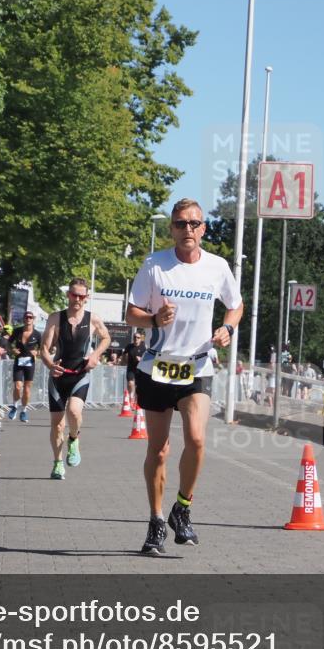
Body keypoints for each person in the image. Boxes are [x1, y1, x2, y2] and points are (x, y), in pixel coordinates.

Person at [125, 198, 243, 555]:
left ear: (203, 229)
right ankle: (156, 520)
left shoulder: (217, 267)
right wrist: (152, 320)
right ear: (172, 229)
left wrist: (227, 329)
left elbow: (235, 305)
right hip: (158, 366)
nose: (187, 230)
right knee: (159, 450)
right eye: (180, 224)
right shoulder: (155, 265)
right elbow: (132, 313)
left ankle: (183, 507)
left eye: (193, 224)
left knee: (196, 439)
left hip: (198, 364)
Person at [40, 278, 111, 480]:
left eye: (81, 296)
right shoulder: (55, 318)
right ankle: (57, 463)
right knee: (57, 424)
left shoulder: (93, 319)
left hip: (80, 373)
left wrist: (95, 355)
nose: (77, 299)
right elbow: (44, 349)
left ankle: (74, 439)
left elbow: (106, 338)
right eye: (74, 295)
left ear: (87, 298)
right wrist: (49, 365)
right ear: (68, 295)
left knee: (74, 411)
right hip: (58, 375)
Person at [7, 312, 42, 423]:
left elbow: (43, 349)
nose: (28, 319)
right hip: (18, 362)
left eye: (30, 317)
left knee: (27, 390)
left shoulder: (37, 334)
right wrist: (12, 350)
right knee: (18, 387)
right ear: (23, 319)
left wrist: (37, 352)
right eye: (26, 317)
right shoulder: (17, 331)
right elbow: (8, 343)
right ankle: (15, 406)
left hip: (30, 364)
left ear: (33, 319)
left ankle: (24, 411)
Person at [122, 330, 146, 406]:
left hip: (140, 369)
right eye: (135, 337)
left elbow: (148, 358)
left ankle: (136, 401)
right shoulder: (129, 346)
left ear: (141, 339)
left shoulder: (144, 347)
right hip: (131, 368)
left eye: (138, 337)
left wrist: (141, 359)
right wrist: (124, 361)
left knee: (138, 386)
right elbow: (124, 355)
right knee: (130, 383)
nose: (136, 339)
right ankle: (130, 397)